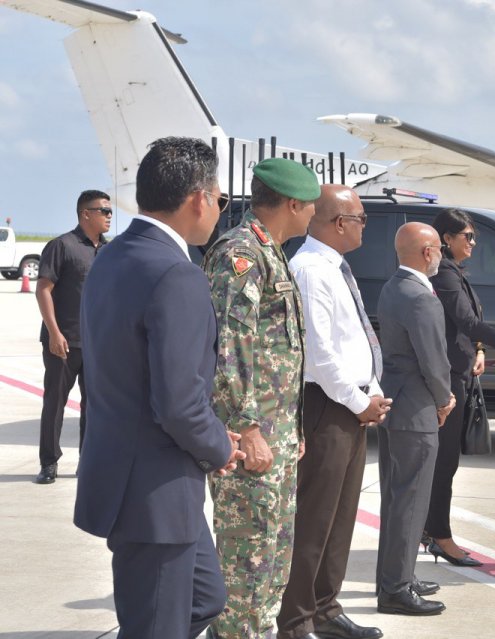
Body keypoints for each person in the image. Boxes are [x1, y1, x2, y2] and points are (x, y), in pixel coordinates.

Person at [74, 137, 243, 637]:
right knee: (155, 628)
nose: (218, 209)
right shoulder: (177, 273)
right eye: (220, 198)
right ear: (199, 198)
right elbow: (178, 404)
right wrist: (220, 447)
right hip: (155, 490)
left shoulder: (114, 255)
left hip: (133, 477)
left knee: (204, 601)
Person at [204, 158, 320, 639]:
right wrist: (248, 427)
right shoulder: (241, 255)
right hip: (249, 438)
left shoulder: (271, 253)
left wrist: (289, 431)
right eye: (311, 205)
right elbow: (229, 348)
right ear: (293, 204)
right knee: (246, 566)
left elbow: (277, 354)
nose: (314, 213)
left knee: (271, 561)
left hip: (275, 437)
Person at [277, 185, 388, 639]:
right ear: (339, 222)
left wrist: (372, 391)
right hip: (329, 407)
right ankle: (296, 619)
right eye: (361, 217)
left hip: (353, 404)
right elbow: (319, 354)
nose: (365, 225)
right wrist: (360, 402)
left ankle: (325, 608)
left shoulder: (336, 268)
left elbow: (354, 339)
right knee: (314, 519)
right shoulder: (309, 270)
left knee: (340, 518)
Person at [424, 209, 495, 567]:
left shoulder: (456, 273)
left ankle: (430, 530)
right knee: (443, 462)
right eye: (468, 236)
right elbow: (467, 320)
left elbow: (465, 326)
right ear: (446, 239)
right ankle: (440, 536)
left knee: (445, 461)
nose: (473, 243)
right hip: (447, 378)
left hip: (461, 372)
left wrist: (479, 349)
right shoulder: (445, 274)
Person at [375, 222, 455, 616]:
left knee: (396, 499)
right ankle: (396, 589)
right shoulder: (422, 297)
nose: (442, 254)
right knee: (410, 500)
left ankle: (396, 575)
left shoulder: (394, 286)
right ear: (427, 252)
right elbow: (434, 359)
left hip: (395, 403)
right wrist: (445, 398)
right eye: (439, 248)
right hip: (417, 409)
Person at [33, 189, 111, 484]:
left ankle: (87, 463)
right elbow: (43, 289)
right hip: (62, 343)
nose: (109, 216)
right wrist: (54, 332)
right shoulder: (61, 246)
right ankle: (49, 463)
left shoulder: (108, 250)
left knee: (94, 406)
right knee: (55, 403)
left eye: (110, 211)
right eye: (103, 211)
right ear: (85, 214)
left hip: (95, 344)